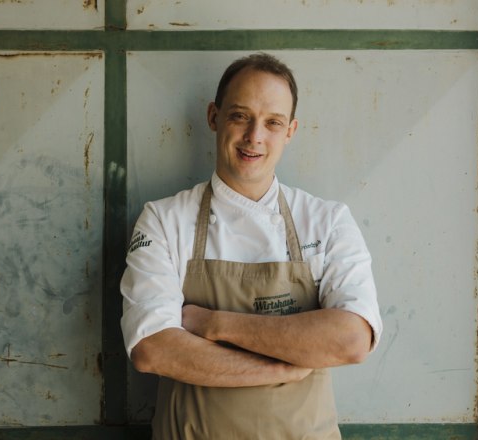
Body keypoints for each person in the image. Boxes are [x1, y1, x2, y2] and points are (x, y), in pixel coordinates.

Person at [120, 53, 383, 439]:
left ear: (290, 131)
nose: (254, 136)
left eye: (273, 123)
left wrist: (212, 323)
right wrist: (281, 368)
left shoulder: (327, 221)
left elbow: (352, 339)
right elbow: (153, 349)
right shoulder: (164, 220)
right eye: (241, 116)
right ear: (214, 117)